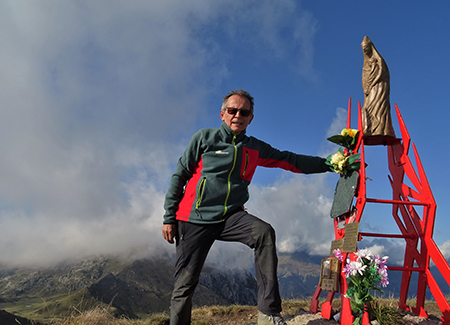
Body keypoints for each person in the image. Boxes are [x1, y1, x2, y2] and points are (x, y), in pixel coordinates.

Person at [162, 89, 331, 325]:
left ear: (251, 118)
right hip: (193, 219)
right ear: (223, 114)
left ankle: (268, 313)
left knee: (264, 232)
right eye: (232, 110)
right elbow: (180, 175)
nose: (237, 115)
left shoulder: (254, 147)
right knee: (185, 283)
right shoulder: (204, 138)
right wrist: (169, 217)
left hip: (231, 217)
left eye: (244, 112)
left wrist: (330, 164)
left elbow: (290, 160)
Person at [361, 36, 396, 138]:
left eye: (366, 48)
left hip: (378, 88)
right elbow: (364, 77)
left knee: (378, 107)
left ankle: (381, 129)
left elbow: (382, 73)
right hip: (370, 89)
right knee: (367, 108)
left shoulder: (379, 60)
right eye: (364, 49)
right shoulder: (366, 63)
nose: (365, 51)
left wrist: (372, 83)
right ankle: (369, 128)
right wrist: (365, 87)